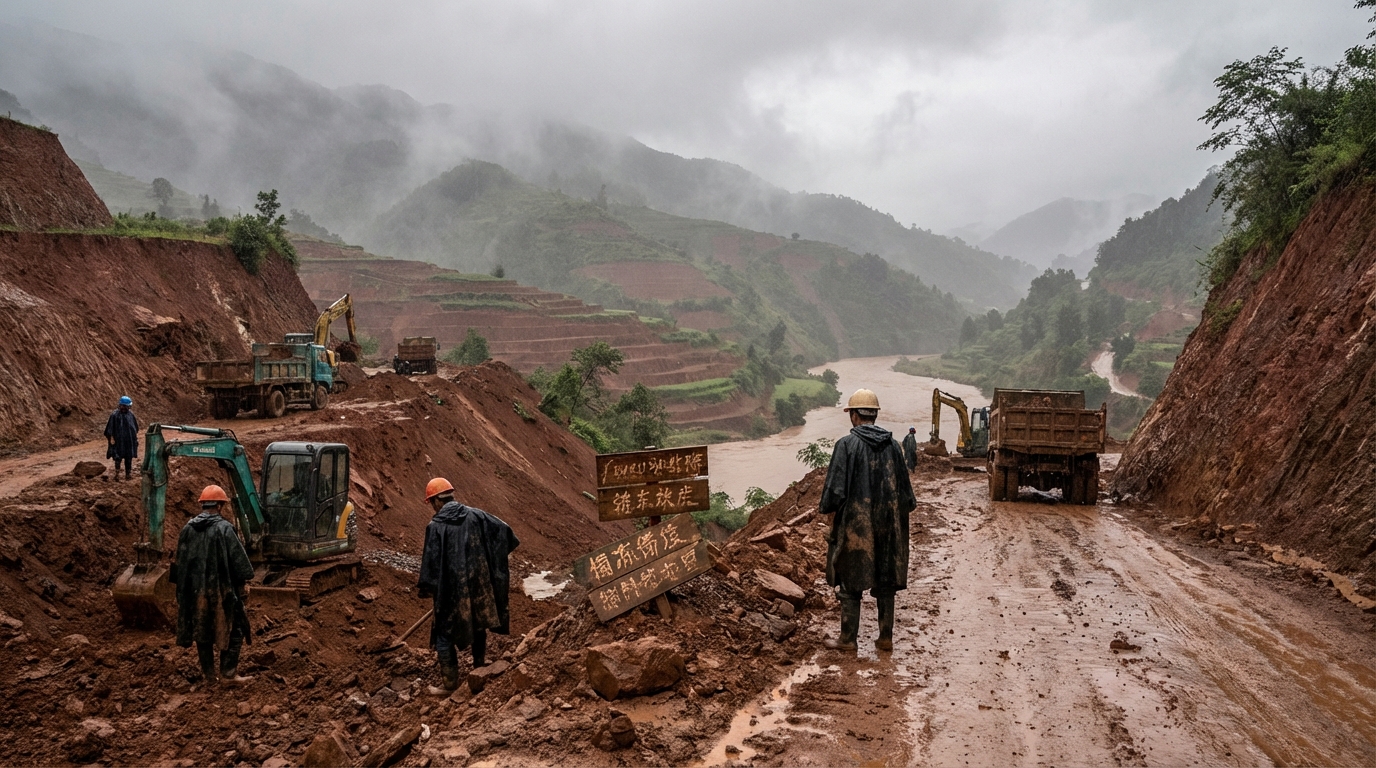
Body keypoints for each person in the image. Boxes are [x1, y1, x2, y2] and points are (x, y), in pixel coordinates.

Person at [819, 389, 917, 652]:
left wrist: (830, 518)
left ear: (853, 415)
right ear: (874, 414)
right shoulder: (894, 447)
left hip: (856, 526)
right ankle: (885, 638)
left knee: (850, 582)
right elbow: (908, 497)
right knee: (886, 583)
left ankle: (848, 640)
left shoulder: (846, 446)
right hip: (889, 527)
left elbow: (834, 493)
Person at [417, 478, 520, 691]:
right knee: (478, 623)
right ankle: (479, 669)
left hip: (449, 593)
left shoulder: (435, 526)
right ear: (450, 496)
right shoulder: (477, 516)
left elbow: (431, 564)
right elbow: (506, 533)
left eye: (432, 503)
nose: (433, 508)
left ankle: (449, 685)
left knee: (444, 633)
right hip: (478, 588)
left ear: (436, 500)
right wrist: (492, 562)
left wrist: (428, 589)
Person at [170, 485, 255, 685]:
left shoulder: (187, 529)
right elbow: (242, 565)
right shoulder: (225, 529)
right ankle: (228, 673)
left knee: (202, 630)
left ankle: (209, 676)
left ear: (202, 504)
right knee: (235, 629)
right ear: (220, 506)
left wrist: (183, 592)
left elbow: (179, 565)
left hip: (195, 592)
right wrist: (243, 583)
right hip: (222, 592)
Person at [104, 396, 139, 480]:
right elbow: (109, 429)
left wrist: (134, 438)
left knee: (128, 457)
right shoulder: (114, 415)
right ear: (121, 405)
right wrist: (111, 438)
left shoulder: (130, 414)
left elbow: (135, 427)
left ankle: (128, 474)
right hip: (118, 441)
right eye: (124, 406)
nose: (125, 408)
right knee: (118, 457)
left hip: (129, 441)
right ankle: (117, 474)